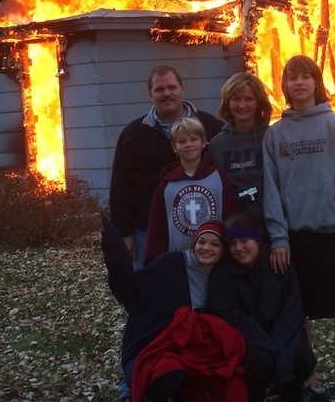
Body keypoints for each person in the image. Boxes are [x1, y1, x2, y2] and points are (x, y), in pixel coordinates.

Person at [262, 54, 335, 402]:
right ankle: (311, 381)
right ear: (285, 87)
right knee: (298, 310)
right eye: (292, 78)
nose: (299, 83)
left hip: (332, 233)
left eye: (305, 77)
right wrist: (278, 237)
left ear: (316, 83)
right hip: (294, 237)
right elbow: (271, 189)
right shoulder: (275, 135)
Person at [101, 218, 249, 402]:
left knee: (229, 386)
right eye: (202, 242)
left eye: (214, 244)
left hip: (196, 352)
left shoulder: (224, 279)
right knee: (167, 372)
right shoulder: (170, 264)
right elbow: (131, 292)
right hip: (153, 347)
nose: (206, 248)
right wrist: (116, 255)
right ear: (194, 244)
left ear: (223, 250)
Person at [109, 64, 224, 271]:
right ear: (150, 95)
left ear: (182, 89)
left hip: (202, 230)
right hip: (148, 230)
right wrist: (125, 234)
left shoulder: (210, 126)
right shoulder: (134, 134)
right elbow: (121, 187)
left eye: (171, 87)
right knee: (153, 289)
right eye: (159, 89)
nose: (166, 94)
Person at [209, 212, 316, 402]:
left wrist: (278, 344)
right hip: (249, 340)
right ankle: (253, 398)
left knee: (301, 358)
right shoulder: (223, 273)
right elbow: (230, 315)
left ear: (257, 239)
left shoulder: (279, 264)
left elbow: (293, 310)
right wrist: (265, 344)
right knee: (258, 362)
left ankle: (291, 398)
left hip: (282, 337)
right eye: (232, 243)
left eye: (244, 240)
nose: (239, 248)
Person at [144, 117, 239, 264]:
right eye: (182, 141)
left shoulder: (218, 177)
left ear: (203, 142)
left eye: (193, 139)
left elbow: (231, 215)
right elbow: (157, 227)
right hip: (179, 260)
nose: (188, 145)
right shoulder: (167, 184)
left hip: (217, 260)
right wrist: (153, 262)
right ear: (174, 147)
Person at [208, 72, 273, 216]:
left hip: (269, 220)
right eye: (236, 99)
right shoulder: (217, 145)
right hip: (233, 222)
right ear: (227, 103)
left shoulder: (271, 137)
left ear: (258, 103)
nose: (242, 105)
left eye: (248, 99)